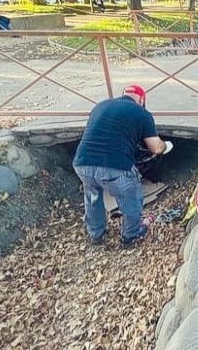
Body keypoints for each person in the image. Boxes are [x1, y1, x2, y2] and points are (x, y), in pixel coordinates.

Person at [72, 84, 173, 246]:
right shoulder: (142, 113)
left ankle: (96, 234)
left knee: (93, 196)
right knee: (131, 198)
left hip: (83, 163)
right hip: (115, 167)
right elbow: (156, 147)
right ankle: (130, 235)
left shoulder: (100, 106)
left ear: (123, 95)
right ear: (141, 100)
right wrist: (166, 146)